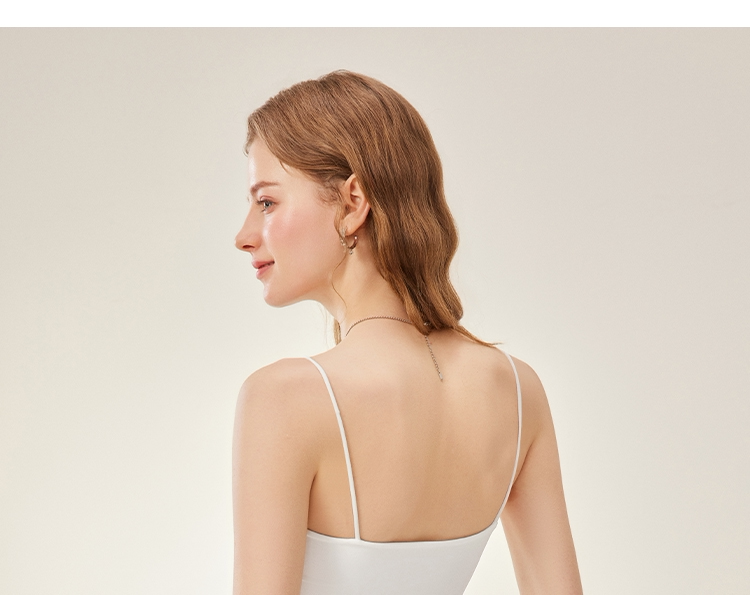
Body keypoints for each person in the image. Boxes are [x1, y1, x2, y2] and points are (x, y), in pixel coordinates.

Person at [232, 70, 583, 595]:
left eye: (267, 202)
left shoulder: (285, 398)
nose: (243, 236)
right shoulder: (516, 389)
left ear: (353, 203)